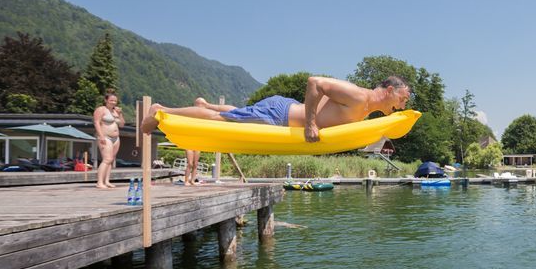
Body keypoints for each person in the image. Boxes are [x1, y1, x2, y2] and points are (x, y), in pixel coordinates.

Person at [141, 76, 412, 142]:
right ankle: (162, 111)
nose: (403, 105)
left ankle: (203, 103)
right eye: (402, 99)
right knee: (222, 120)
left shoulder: (366, 111)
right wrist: (310, 124)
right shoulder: (359, 96)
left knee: (237, 113)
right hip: (280, 117)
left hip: (282, 112)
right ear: (389, 91)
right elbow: (314, 82)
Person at [93, 91, 125, 189]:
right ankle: (99, 182)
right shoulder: (101, 109)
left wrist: (120, 114)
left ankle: (106, 181)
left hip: (116, 138)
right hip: (105, 136)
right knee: (107, 159)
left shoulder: (116, 111)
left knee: (111, 160)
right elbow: (96, 122)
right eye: (111, 100)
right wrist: (101, 136)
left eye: (115, 101)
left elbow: (122, 124)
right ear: (106, 100)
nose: (113, 102)